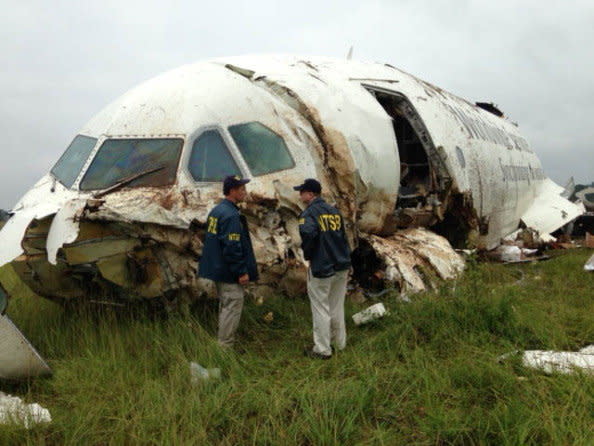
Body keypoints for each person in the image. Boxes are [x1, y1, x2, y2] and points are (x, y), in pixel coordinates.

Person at [198, 175, 258, 348]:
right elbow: (232, 246)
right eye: (242, 189)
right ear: (232, 191)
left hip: (218, 268)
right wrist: (241, 271)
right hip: (228, 271)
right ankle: (224, 347)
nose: (245, 193)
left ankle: (223, 342)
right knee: (233, 305)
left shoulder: (217, 211)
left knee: (226, 305)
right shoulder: (231, 215)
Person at [294, 178, 351, 359]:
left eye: (302, 192)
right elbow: (343, 237)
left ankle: (322, 349)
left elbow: (308, 235)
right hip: (341, 265)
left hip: (322, 267)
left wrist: (309, 256)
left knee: (320, 308)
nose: (300, 195)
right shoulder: (334, 212)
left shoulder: (309, 214)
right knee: (336, 306)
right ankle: (339, 344)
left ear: (310, 194)